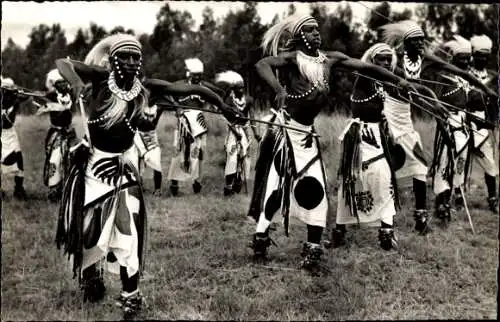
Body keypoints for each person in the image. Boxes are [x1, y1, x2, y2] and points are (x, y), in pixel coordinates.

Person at [54, 34, 242, 318]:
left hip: (123, 168)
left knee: (128, 228)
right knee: (90, 233)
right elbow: (63, 62)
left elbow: (191, 89)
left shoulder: (147, 89)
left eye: (135, 57)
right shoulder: (100, 80)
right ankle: (91, 274)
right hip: (92, 167)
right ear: (113, 59)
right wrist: (78, 83)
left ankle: (130, 294)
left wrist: (224, 107)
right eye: (125, 57)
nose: (131, 62)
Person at [248, 15, 418, 270]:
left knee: (317, 192)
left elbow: (366, 68)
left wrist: (399, 80)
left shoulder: (330, 59)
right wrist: (278, 89)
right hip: (286, 134)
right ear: (299, 36)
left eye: (318, 29)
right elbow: (262, 64)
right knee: (278, 190)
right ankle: (261, 237)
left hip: (307, 135)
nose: (317, 34)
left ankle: (312, 253)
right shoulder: (292, 60)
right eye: (311, 30)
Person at [378, 20, 497, 233]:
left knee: (420, 168)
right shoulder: (394, 58)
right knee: (383, 167)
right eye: (416, 40)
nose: (422, 43)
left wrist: (485, 89)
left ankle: (421, 218)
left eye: (423, 39)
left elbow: (462, 73)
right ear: (406, 43)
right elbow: (397, 82)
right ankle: (372, 217)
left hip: (405, 117)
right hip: (386, 113)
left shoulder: (425, 59)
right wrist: (432, 101)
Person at [428, 35, 477, 225]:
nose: (465, 61)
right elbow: (435, 105)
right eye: (461, 58)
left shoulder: (465, 79)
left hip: (463, 126)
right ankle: (440, 205)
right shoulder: (444, 77)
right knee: (444, 166)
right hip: (448, 124)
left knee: (458, 166)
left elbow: (469, 105)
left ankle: (449, 202)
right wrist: (444, 131)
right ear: (453, 59)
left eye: (467, 58)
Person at [167, 58, 224, 196]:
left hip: (198, 121)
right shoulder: (179, 85)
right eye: (195, 74)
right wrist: (177, 107)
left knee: (199, 153)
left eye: (200, 74)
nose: (197, 77)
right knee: (179, 151)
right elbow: (166, 92)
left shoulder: (204, 86)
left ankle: (197, 182)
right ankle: (175, 183)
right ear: (189, 73)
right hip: (183, 120)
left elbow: (220, 93)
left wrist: (214, 105)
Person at [214, 70, 261, 196]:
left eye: (242, 88)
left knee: (245, 157)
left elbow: (252, 118)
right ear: (233, 89)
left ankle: (240, 180)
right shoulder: (228, 101)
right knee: (232, 157)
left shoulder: (249, 100)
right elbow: (225, 118)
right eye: (238, 88)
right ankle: (228, 186)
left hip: (245, 131)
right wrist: (235, 132)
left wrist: (256, 133)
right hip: (233, 131)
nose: (241, 90)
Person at [36, 69, 77, 202]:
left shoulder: (71, 95)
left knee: (70, 160)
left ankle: (69, 189)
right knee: (54, 160)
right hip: (56, 134)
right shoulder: (52, 96)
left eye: (65, 82)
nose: (63, 85)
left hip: (69, 133)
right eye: (60, 83)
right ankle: (54, 190)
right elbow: (36, 97)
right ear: (55, 85)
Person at [467, 34, 499, 213]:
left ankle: (492, 198)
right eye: (479, 54)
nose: (482, 58)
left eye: (486, 55)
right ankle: (455, 194)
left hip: (483, 124)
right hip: (465, 118)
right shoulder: (466, 73)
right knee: (459, 160)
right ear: (473, 54)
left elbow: (495, 102)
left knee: (489, 162)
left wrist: (492, 120)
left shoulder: (492, 77)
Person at [1, 76, 32, 200]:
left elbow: (26, 95)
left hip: (10, 133)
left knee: (19, 160)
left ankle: (19, 188)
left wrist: (17, 90)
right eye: (5, 90)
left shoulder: (15, 99)